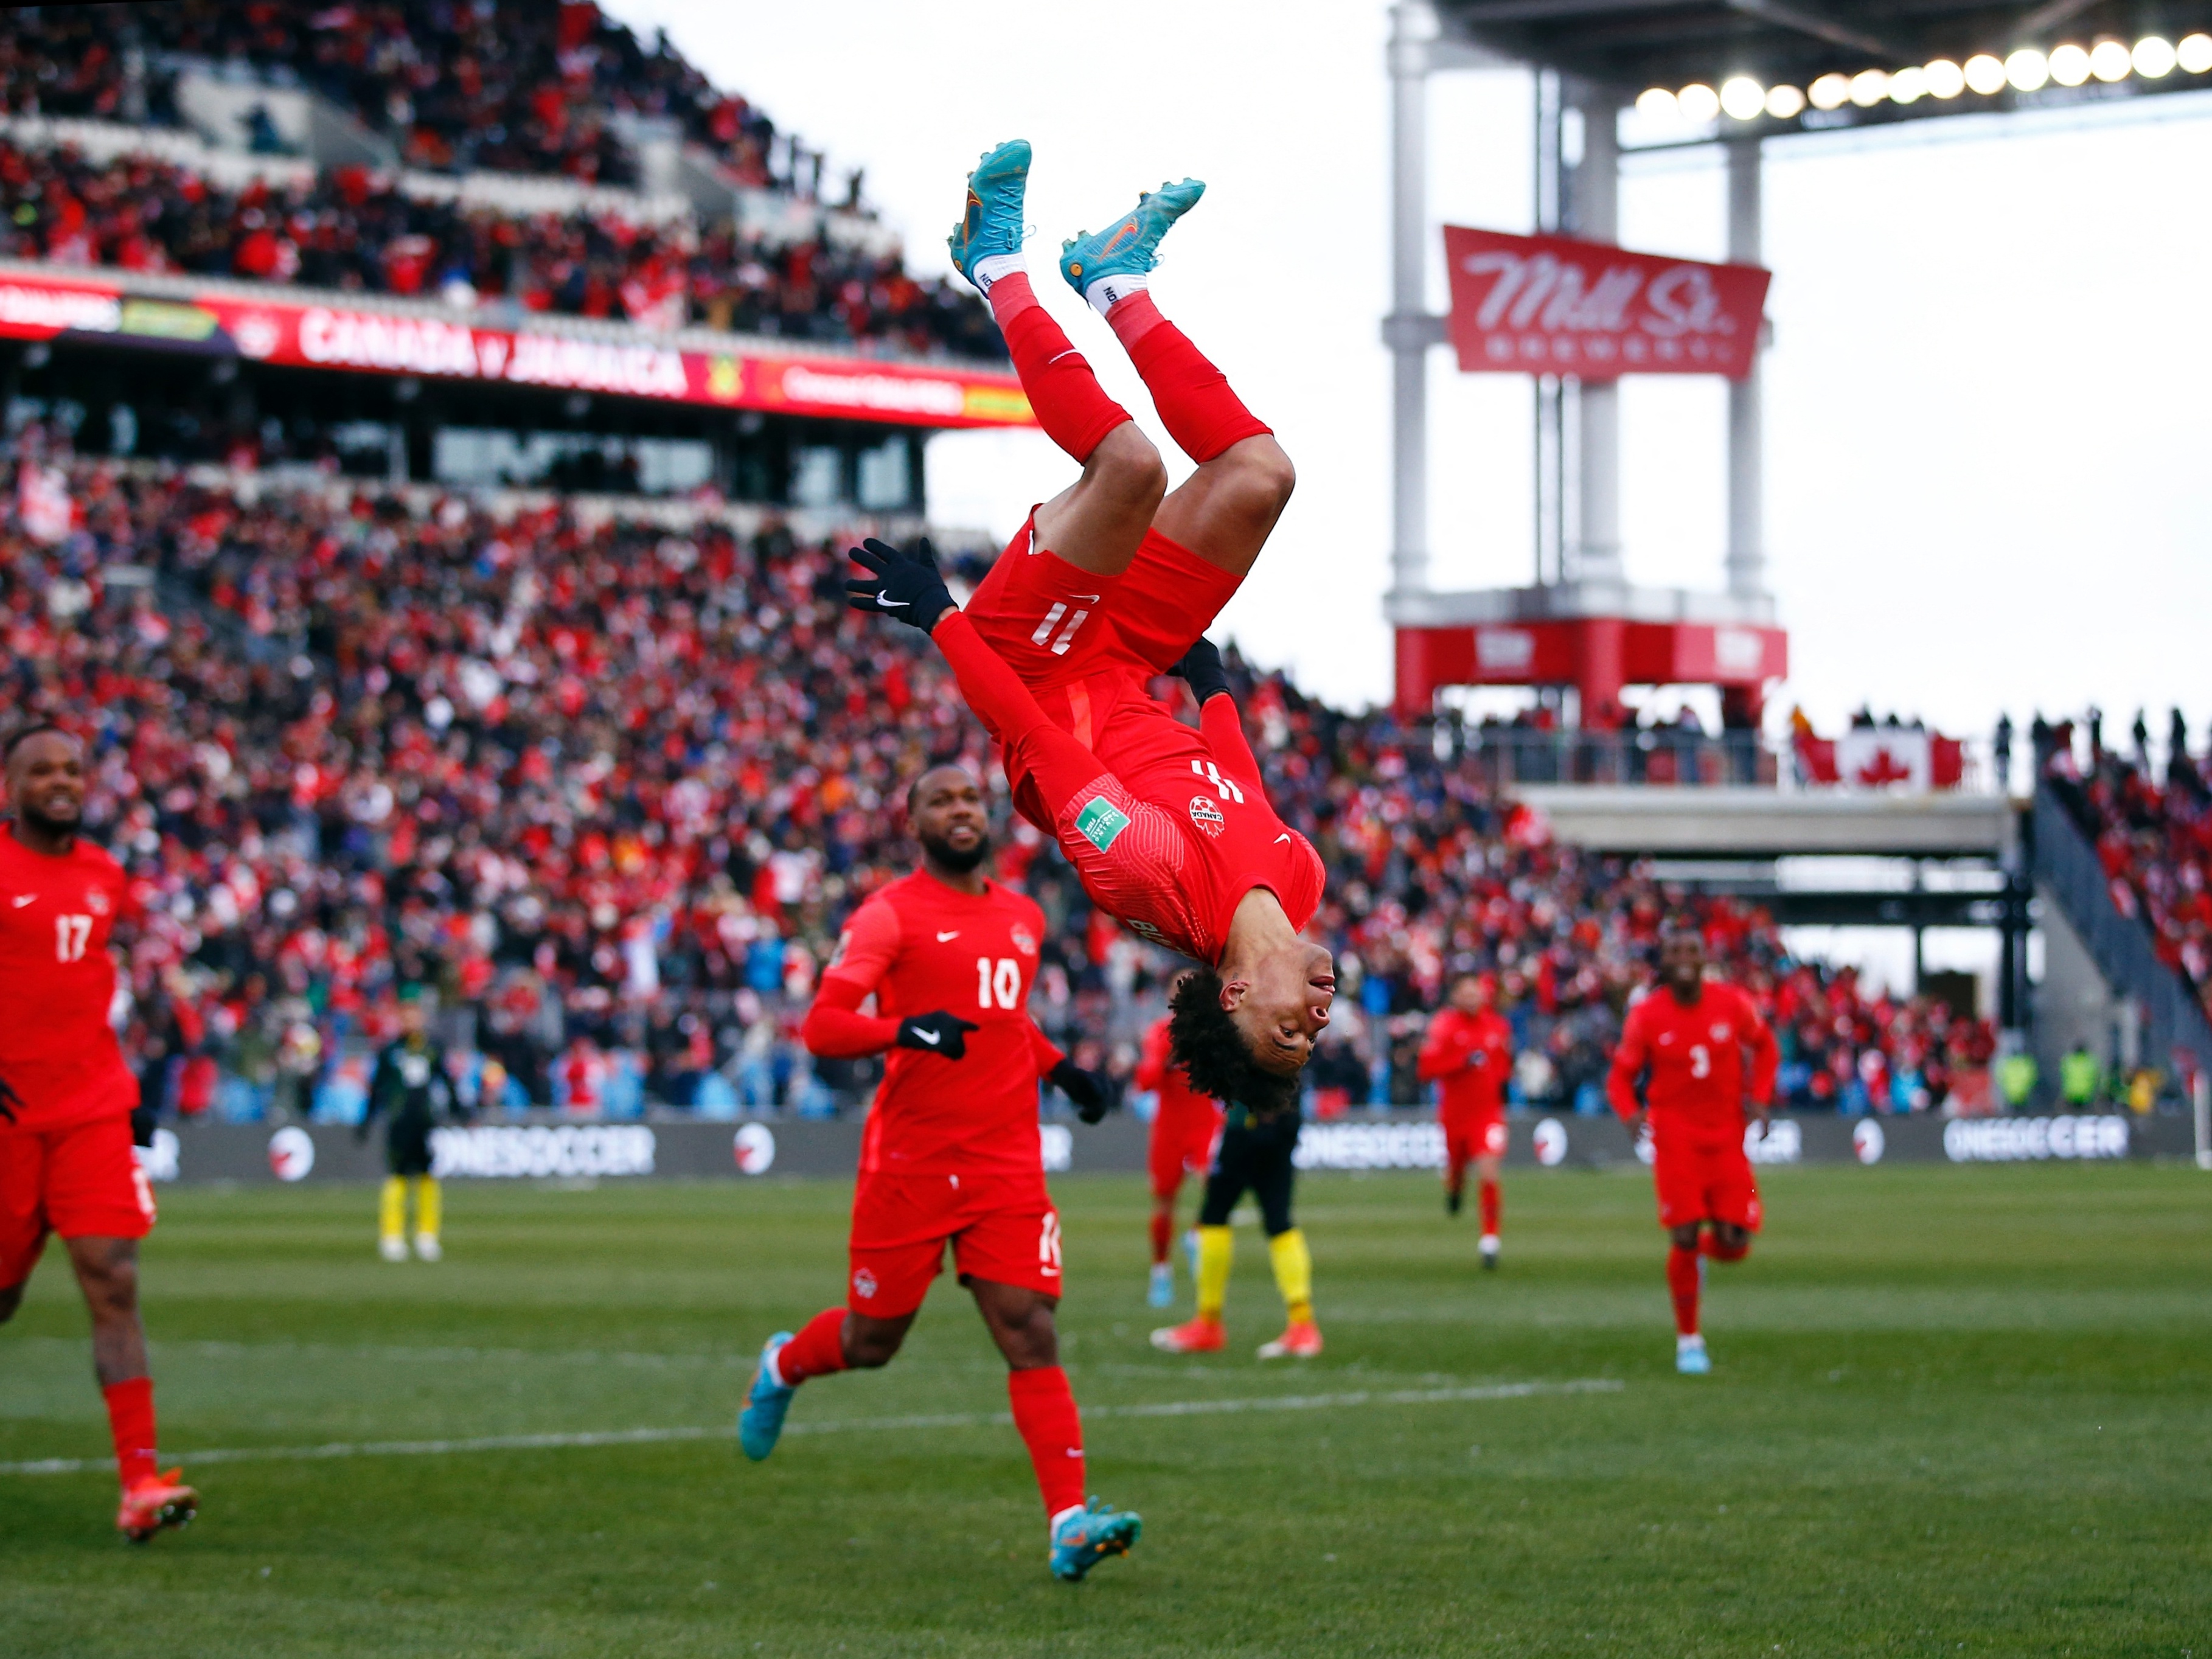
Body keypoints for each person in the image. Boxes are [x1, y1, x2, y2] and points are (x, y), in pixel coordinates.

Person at [845, 139, 1331, 1119]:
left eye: (1286, 1031)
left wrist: (939, 615)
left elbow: (1029, 734)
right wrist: (1216, 685)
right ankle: (1115, 277)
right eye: (1312, 1037)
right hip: (1138, 656)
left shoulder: (1145, 878)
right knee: (1260, 477)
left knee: (1130, 470)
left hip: (1036, 658)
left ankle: (995, 263)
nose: (1315, 1020)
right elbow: (1240, 782)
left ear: (1233, 994)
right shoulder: (1302, 881)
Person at [736, 765, 1135, 1583]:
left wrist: (1062, 1070)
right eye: (940, 801)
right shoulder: (888, 915)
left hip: (1005, 1159)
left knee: (1028, 1326)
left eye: (969, 799)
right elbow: (823, 1024)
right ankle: (783, 1363)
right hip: (912, 1163)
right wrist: (906, 1030)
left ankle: (1068, 1522)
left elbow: (1006, 1016)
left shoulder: (1023, 915)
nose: (961, 809)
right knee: (872, 1339)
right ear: (913, 823)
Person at [0, 724, 197, 1541]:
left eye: (72, 768)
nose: (60, 779)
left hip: (89, 1109)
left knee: (112, 1277)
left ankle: (140, 1481)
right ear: (10, 783)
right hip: (10, 1117)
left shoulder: (106, 874)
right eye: (41, 768)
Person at [1605, 926, 1779, 1376]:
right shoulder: (1646, 1015)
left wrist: (1759, 1095)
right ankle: (1689, 1340)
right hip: (1675, 1136)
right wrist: (1629, 1112)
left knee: (1735, 1242)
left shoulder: (1733, 1003)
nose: (1684, 957)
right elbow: (1620, 1076)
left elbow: (1766, 1047)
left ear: (1704, 959)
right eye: (1675, 951)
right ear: (1662, 962)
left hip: (1726, 1135)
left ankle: (1692, 1257)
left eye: (1692, 950)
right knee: (1681, 1233)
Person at [1149, 1066, 1320, 1359]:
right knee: (1278, 1220)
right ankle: (1302, 1323)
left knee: (1215, 1217)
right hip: (1283, 1118)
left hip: (1250, 1123)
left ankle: (1209, 1322)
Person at [1417, 970, 1514, 1265]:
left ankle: (1490, 1240)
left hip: (1488, 1114)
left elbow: (1503, 1068)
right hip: (1455, 1116)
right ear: (1456, 996)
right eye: (1467, 993)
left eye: (1477, 992)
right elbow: (1425, 1069)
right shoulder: (1443, 1027)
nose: (1473, 998)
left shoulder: (1498, 1026)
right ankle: (1455, 1191)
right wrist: (1461, 1062)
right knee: (1457, 1172)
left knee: (1489, 1171)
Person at [358, 989, 461, 1262]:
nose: (410, 1020)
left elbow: (447, 1082)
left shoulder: (433, 1048)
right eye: (405, 1015)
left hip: (425, 1122)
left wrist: (460, 1110)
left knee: (427, 1177)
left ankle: (427, 1236)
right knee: (396, 1177)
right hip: (398, 1122)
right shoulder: (390, 1051)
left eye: (414, 1015)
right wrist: (366, 1120)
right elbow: (377, 1089)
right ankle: (392, 1236)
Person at [1133, 1010, 1223, 1307]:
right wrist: (1165, 1060)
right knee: (1165, 1203)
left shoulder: (1212, 1029)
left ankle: (1197, 1235)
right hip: (1170, 1127)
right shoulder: (1159, 1033)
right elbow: (1145, 1082)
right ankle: (1161, 1272)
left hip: (1204, 1121)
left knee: (1218, 1183)